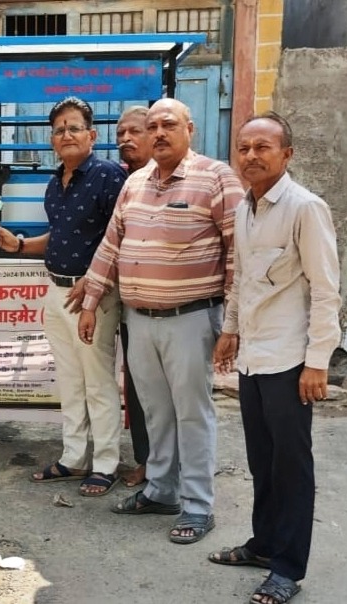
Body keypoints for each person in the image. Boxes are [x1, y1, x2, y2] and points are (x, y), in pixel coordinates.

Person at [78, 98, 243, 544]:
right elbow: (111, 244)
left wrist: (232, 325)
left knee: (192, 413)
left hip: (191, 318)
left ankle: (197, 505)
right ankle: (161, 490)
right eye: (151, 126)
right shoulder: (135, 182)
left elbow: (238, 253)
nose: (158, 133)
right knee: (155, 411)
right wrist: (91, 301)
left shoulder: (216, 178)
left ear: (190, 128)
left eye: (168, 124)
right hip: (140, 319)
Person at [209, 112, 341, 604]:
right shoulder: (246, 208)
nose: (251, 156)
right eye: (244, 148)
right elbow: (243, 277)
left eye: (262, 147)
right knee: (261, 461)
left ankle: (287, 568)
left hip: (290, 361)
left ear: (287, 154)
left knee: (291, 467)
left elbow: (326, 291)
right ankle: (264, 545)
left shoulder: (305, 208)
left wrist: (317, 361)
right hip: (254, 358)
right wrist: (231, 330)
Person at [0, 96, 127, 497]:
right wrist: (20, 245)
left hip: (93, 298)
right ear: (52, 139)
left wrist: (95, 283)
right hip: (57, 291)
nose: (66, 134)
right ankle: (74, 457)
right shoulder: (56, 183)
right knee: (69, 381)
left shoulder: (107, 177)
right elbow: (61, 236)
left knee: (98, 383)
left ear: (92, 135)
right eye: (59, 130)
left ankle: (106, 463)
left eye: (74, 127)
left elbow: (123, 236)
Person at [115, 105, 152, 488]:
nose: (126, 139)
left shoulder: (188, 178)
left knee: (176, 394)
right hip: (130, 304)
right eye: (121, 133)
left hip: (179, 309)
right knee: (137, 386)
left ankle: (177, 468)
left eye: (134, 132)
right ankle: (147, 459)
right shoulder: (122, 181)